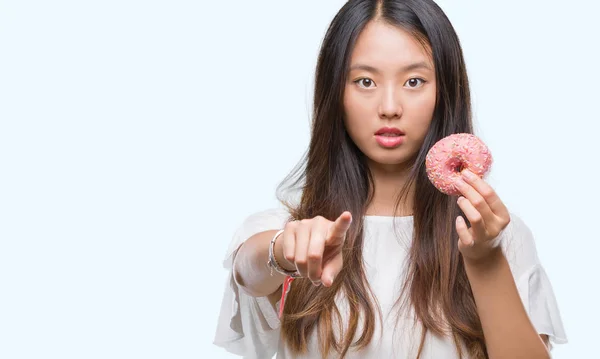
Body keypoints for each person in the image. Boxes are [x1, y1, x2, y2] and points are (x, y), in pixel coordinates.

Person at [213, 0, 568, 358]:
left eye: (414, 81)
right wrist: (284, 251)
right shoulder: (293, 229)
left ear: (444, 91)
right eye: (365, 81)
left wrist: (485, 261)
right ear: (336, 92)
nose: (389, 106)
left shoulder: (494, 236)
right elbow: (248, 269)